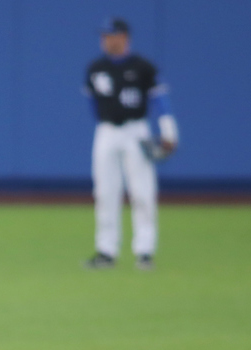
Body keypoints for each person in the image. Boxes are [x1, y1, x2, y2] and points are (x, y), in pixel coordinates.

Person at [83, 17, 178, 271]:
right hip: (106, 131)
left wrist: (168, 129)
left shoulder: (143, 66)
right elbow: (93, 103)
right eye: (103, 35)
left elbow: (159, 99)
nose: (106, 40)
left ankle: (145, 252)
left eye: (110, 35)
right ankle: (106, 251)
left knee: (142, 192)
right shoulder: (95, 68)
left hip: (136, 130)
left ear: (124, 37)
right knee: (104, 193)